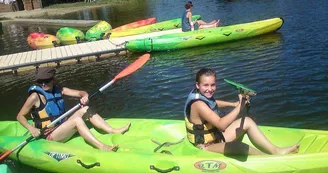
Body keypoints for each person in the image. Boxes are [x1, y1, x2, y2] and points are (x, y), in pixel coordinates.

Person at [184, 68, 300, 155]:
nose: (210, 89)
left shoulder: (200, 95)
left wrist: (233, 104)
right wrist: (240, 106)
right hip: (205, 147)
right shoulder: (198, 104)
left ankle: (276, 151)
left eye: (213, 85)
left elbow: (213, 103)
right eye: (206, 85)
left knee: (247, 121)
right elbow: (221, 124)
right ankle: (268, 158)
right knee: (239, 147)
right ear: (197, 85)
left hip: (216, 138)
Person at [17, 67, 130, 151]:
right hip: (48, 135)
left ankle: (112, 130)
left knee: (85, 108)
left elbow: (80, 92)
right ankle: (101, 146)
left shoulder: (59, 90)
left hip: (60, 125)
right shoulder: (34, 97)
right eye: (40, 81)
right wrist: (31, 129)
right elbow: (20, 116)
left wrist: (85, 96)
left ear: (53, 79)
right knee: (77, 120)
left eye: (46, 81)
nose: (43, 84)